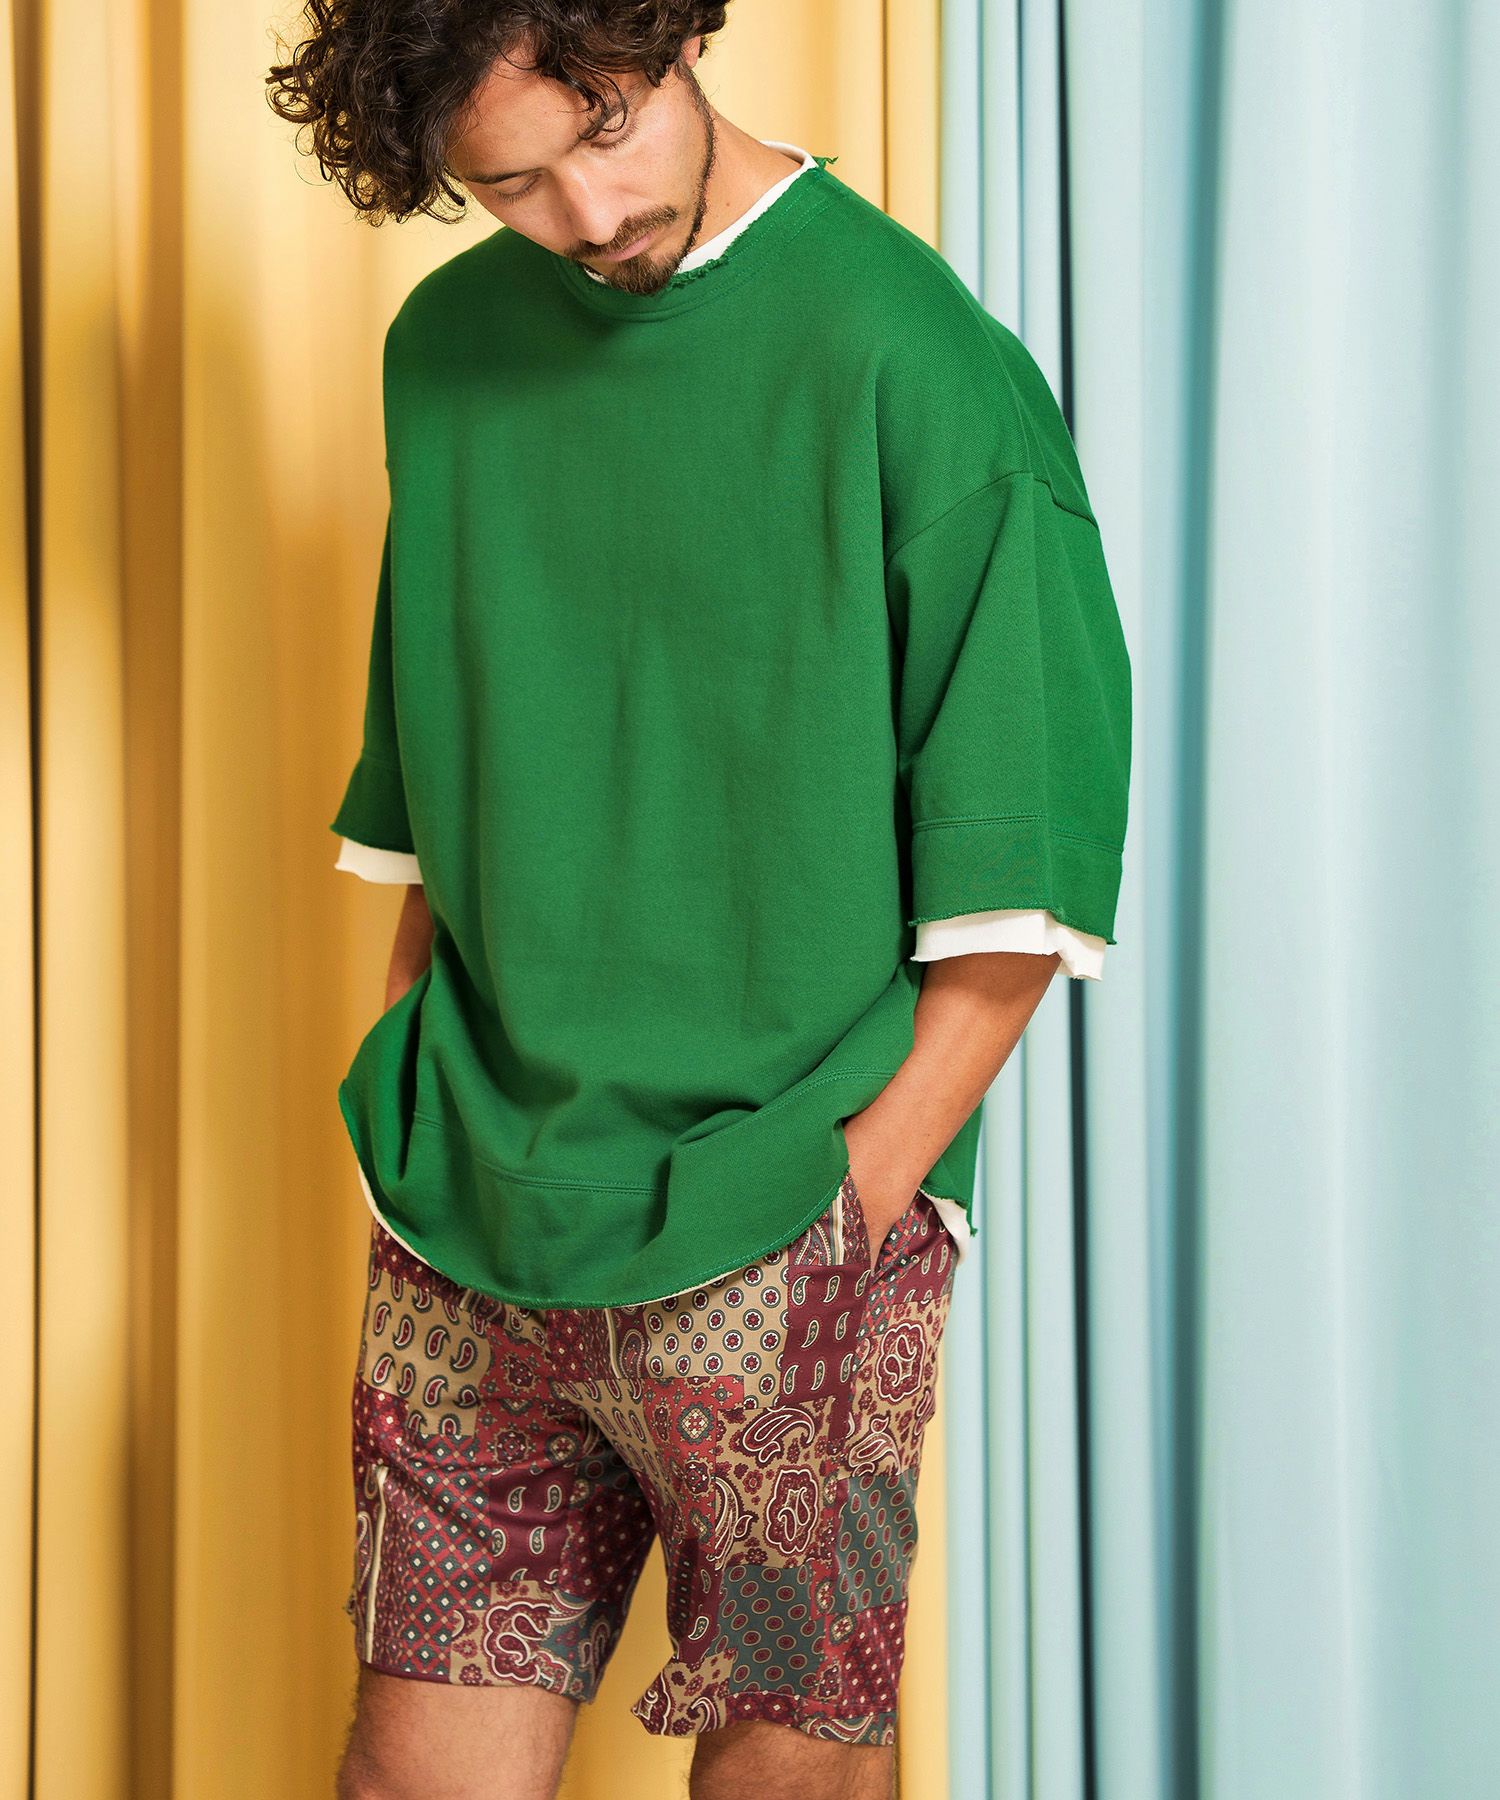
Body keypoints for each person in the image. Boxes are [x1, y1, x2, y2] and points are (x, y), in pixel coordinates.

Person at [267, 6, 1131, 1796]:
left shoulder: (909, 348)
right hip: (472, 1211)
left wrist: (858, 1199)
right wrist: (408, 1072)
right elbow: (444, 757)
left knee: (789, 1768)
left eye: (607, 128)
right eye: (512, 183)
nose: (590, 213)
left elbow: (1026, 854)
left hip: (789, 1200)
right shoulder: (447, 347)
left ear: (664, 39)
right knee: (411, 1770)